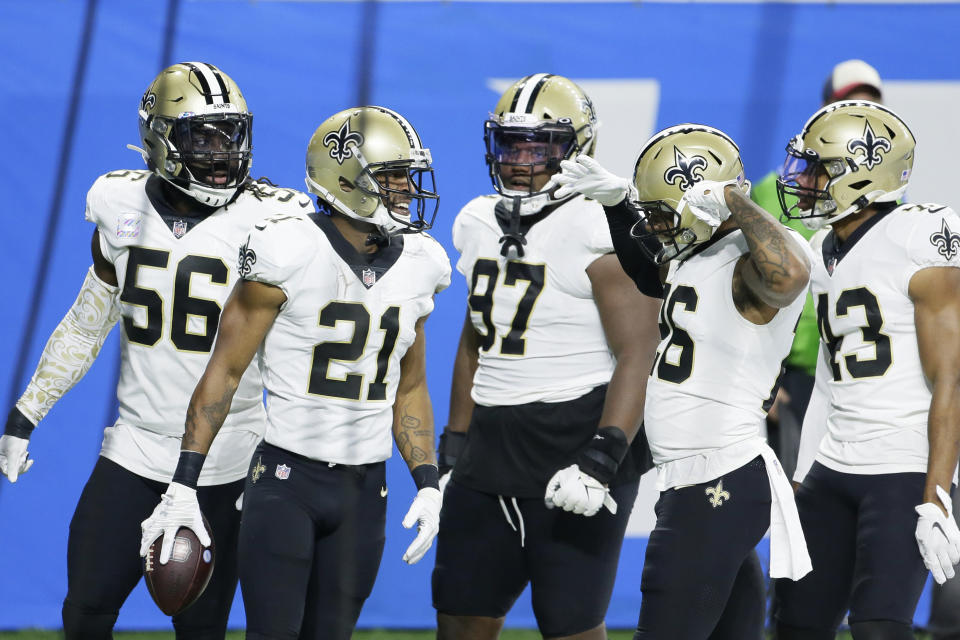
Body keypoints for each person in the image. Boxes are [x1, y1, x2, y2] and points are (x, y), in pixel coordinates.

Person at [0, 62, 312, 639]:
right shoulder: (117, 204)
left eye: (232, 135)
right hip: (135, 450)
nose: (223, 153)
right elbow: (87, 322)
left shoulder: (272, 218)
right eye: (203, 137)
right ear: (160, 138)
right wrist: (26, 414)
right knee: (85, 610)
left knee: (200, 627)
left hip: (227, 460)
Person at [139, 105, 451, 640]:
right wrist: (182, 485)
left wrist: (427, 482)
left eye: (406, 174)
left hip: (365, 489)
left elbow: (412, 386)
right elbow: (224, 372)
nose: (405, 188)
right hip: (288, 478)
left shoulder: (424, 262)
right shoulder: (287, 247)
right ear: (348, 179)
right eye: (392, 175)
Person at [553, 123, 814, 639]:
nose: (654, 228)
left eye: (662, 216)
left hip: (717, 478)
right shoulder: (699, 256)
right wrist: (617, 204)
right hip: (703, 478)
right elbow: (648, 271)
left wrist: (734, 198)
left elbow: (791, 275)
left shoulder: (752, 262)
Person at [431, 74, 663, 640]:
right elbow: (475, 337)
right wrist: (453, 445)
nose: (521, 160)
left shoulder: (595, 224)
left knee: (570, 624)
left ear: (578, 147)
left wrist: (603, 457)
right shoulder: (476, 219)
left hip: (573, 436)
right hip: (488, 444)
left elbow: (639, 351)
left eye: (542, 145)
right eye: (512, 144)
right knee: (461, 614)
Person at [771, 100, 960, 640]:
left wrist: (939, 495)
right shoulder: (820, 247)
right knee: (795, 623)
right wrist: (804, 472)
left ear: (862, 174)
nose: (803, 181)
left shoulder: (922, 233)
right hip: (833, 465)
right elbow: (832, 378)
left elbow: (952, 375)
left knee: (879, 627)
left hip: (901, 466)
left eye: (817, 169)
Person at [752, 59, 884, 481]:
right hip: (792, 373)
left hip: (855, 368)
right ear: (826, 109)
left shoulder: (890, 197)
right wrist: (763, 379)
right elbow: (753, 286)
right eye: (851, 103)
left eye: (871, 104)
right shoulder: (778, 190)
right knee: (792, 502)